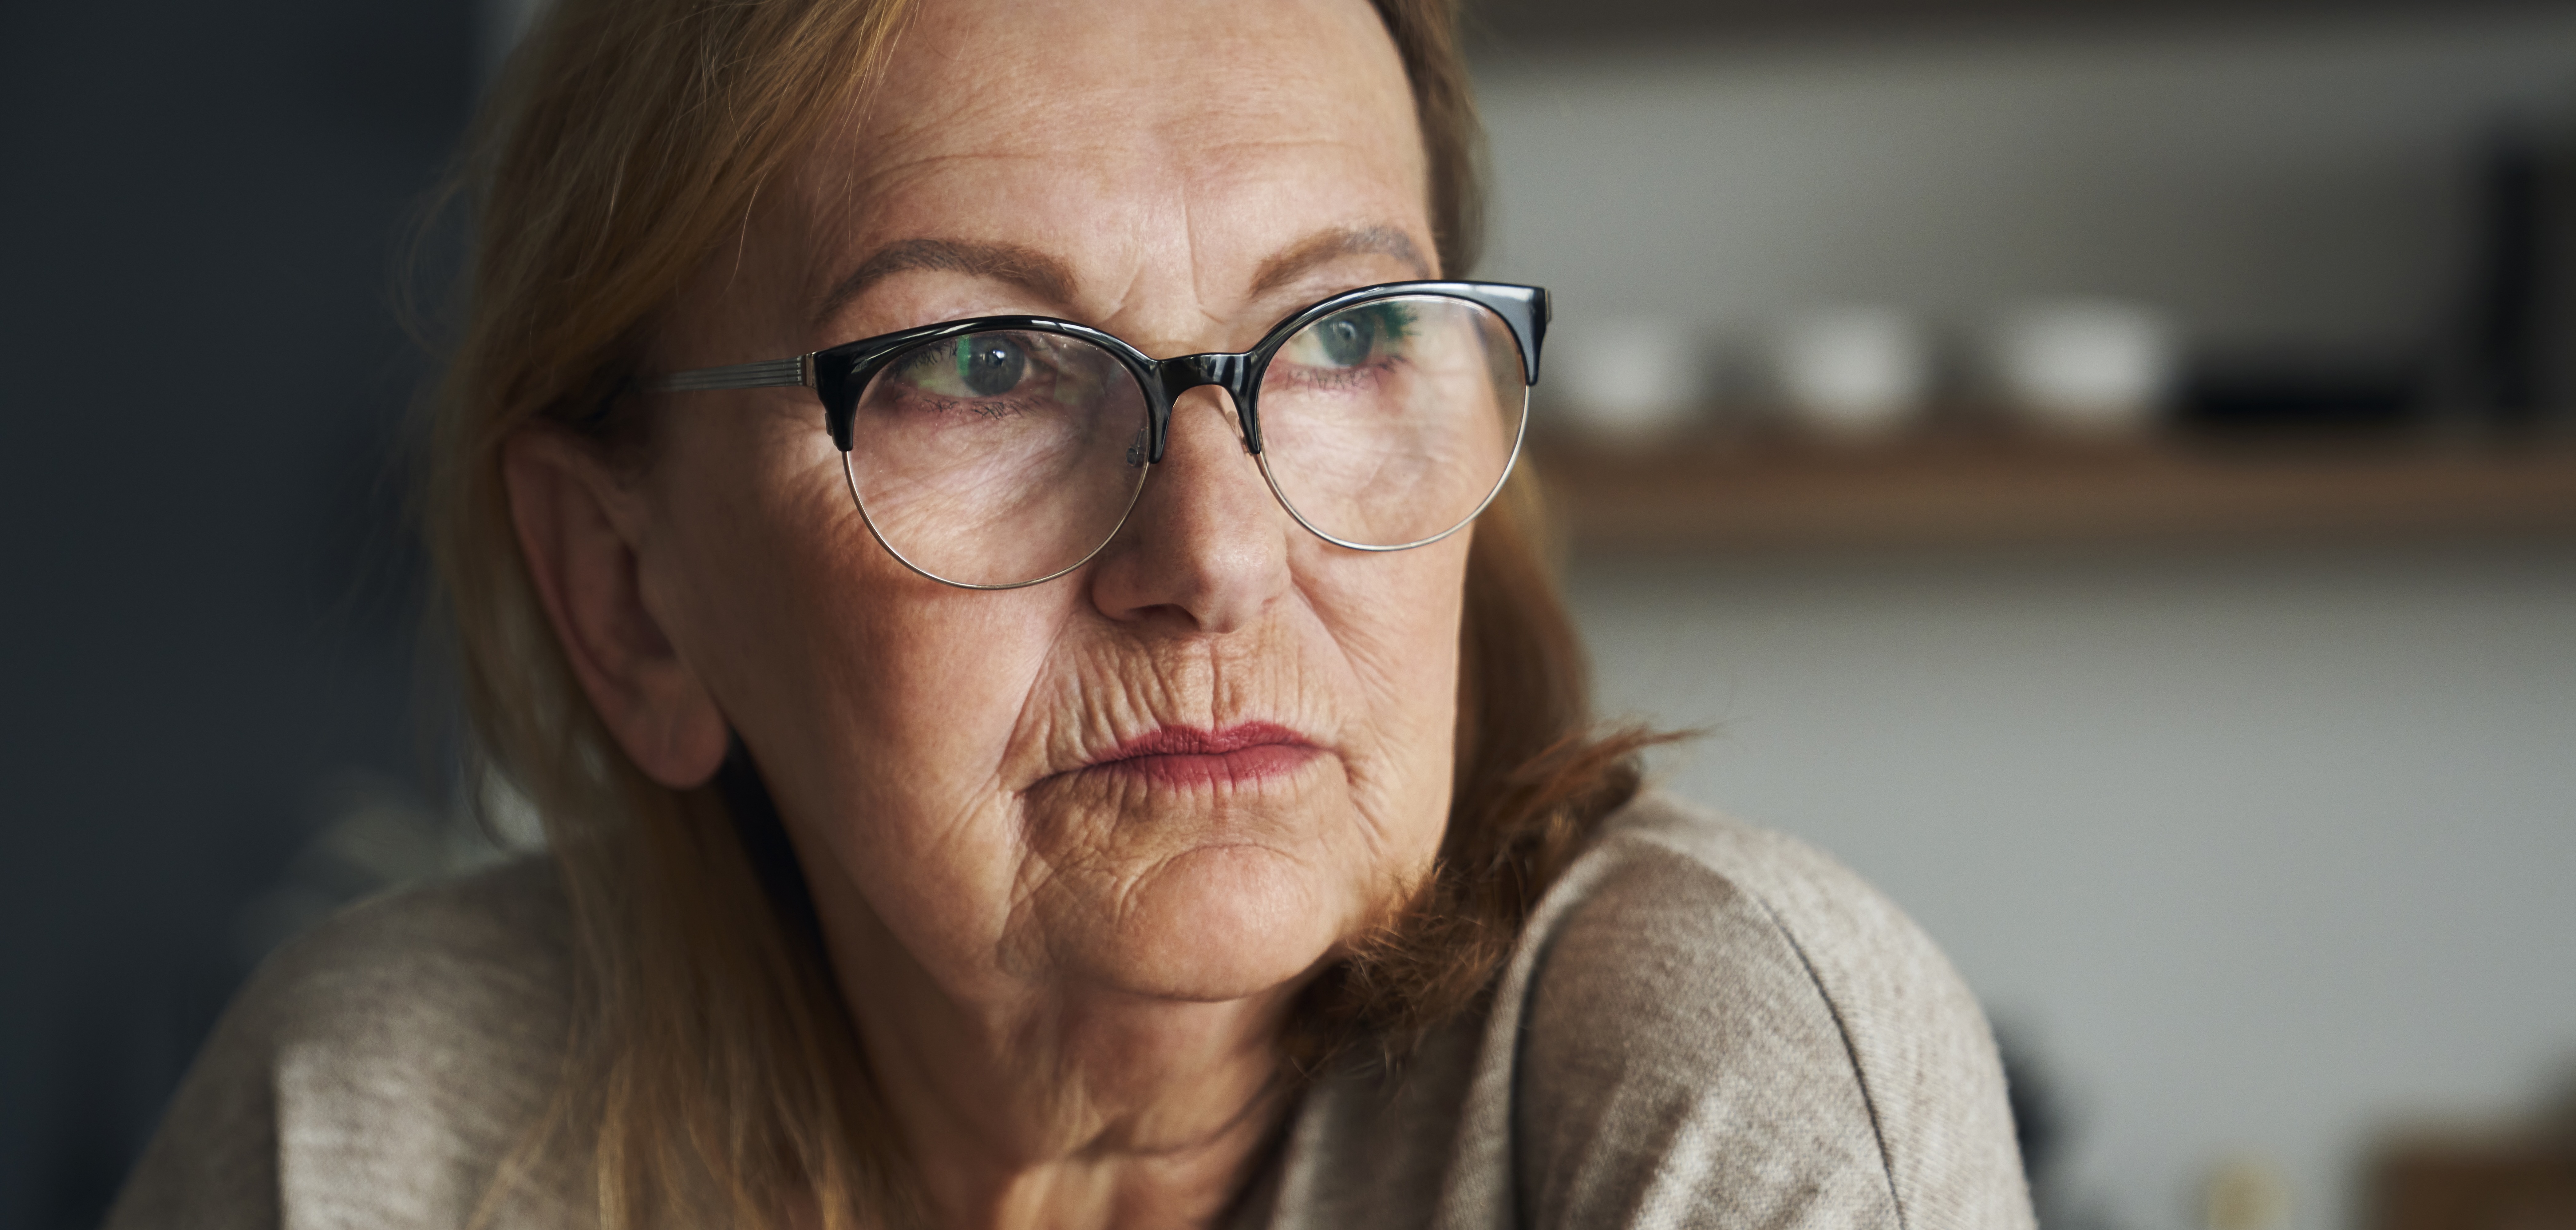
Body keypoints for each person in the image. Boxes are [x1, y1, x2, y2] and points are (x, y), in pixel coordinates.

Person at [106, 1, 2033, 1226]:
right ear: (632, 596)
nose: (1215, 551)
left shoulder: (1707, 1058)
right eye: (979, 368)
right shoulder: (382, 1129)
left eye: (1346, 335)